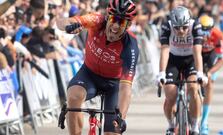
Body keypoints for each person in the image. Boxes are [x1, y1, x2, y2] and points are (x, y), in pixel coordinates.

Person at [56, 0, 139, 135]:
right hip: (89, 75)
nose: (116, 26)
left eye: (122, 22)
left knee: (113, 130)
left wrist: (121, 117)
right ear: (107, 17)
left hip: (114, 85)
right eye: (113, 19)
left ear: (128, 25)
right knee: (74, 97)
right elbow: (61, 21)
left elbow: (126, 87)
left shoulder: (130, 46)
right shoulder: (96, 21)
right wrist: (68, 26)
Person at [157, 6, 208, 135]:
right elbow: (164, 50)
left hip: (190, 60)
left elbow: (197, 52)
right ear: (172, 25)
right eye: (177, 28)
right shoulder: (166, 26)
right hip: (172, 60)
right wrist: (161, 73)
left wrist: (200, 74)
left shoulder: (195, 25)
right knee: (170, 94)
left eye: (184, 27)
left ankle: (195, 125)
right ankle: (170, 125)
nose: (181, 31)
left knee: (193, 88)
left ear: (189, 23)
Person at [199, 14, 223, 135]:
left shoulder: (218, 35)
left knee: (209, 83)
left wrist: (209, 73)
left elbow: (221, 60)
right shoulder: (193, 33)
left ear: (212, 29)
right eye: (202, 32)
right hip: (197, 53)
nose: (204, 36)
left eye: (207, 32)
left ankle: (204, 122)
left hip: (211, 55)